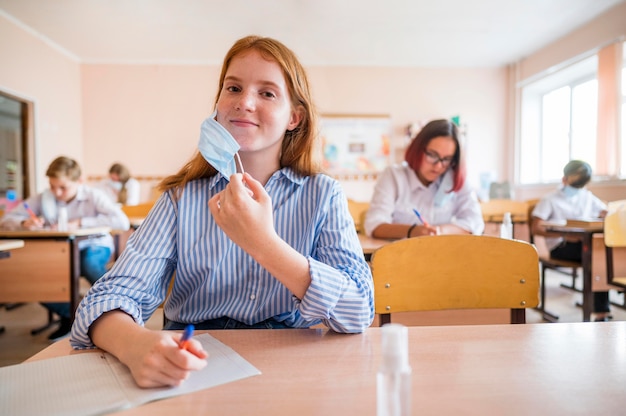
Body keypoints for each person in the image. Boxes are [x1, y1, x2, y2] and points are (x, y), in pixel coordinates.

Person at [70, 35, 375, 388]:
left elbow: (358, 312)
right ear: (217, 104)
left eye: (267, 93)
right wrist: (136, 345)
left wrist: (264, 243)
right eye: (233, 88)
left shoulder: (324, 194)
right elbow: (107, 297)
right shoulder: (179, 198)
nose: (244, 102)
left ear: (294, 117)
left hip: (290, 366)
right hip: (195, 361)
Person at [0, 156, 130, 340]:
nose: (57, 192)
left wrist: (80, 222)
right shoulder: (44, 198)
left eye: (63, 187)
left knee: (88, 263)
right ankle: (72, 315)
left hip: (94, 245)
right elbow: (6, 220)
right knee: (35, 278)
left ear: (79, 181)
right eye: (53, 187)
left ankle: (118, 306)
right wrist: (24, 222)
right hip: (59, 252)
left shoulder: (93, 196)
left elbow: (122, 221)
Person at [364, 119, 484, 239]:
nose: (438, 166)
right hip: (400, 254)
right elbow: (374, 225)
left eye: (446, 159)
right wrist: (413, 231)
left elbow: (475, 222)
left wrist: (440, 231)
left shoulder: (455, 179)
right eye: (432, 155)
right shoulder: (393, 176)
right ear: (418, 149)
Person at [531, 160, 609, 321]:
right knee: (599, 257)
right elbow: (536, 228)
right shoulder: (550, 199)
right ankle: (601, 311)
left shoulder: (586, 196)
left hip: (584, 244)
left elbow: (605, 212)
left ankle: (602, 302)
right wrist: (565, 236)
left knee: (604, 252)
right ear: (564, 179)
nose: (577, 189)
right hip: (561, 246)